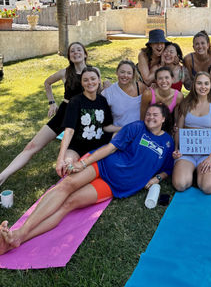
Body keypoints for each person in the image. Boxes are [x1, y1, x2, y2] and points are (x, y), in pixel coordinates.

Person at [0, 104, 174, 255]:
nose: (150, 117)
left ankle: (18, 238)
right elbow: (110, 148)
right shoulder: (136, 127)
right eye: (148, 114)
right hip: (103, 164)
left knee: (69, 203)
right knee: (66, 185)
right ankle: (19, 233)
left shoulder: (168, 143)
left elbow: (167, 168)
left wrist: (157, 178)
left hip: (115, 185)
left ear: (164, 119)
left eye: (155, 115)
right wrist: (84, 163)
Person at [0, 42, 89, 186]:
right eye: (72, 51)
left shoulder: (93, 71)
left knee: (73, 156)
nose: (76, 53)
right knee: (30, 147)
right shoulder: (64, 72)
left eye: (79, 50)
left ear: (85, 54)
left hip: (82, 119)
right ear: (69, 56)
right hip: (63, 114)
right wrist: (51, 102)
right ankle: (2, 176)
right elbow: (47, 83)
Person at [56, 67, 118, 177]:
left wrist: (124, 128)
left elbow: (106, 127)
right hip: (77, 147)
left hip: (99, 146)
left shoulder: (102, 101)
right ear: (81, 83)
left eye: (93, 79)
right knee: (67, 167)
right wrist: (61, 158)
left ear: (99, 80)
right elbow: (69, 130)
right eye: (85, 80)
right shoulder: (75, 102)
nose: (90, 82)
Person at [172, 72, 211, 195]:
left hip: (207, 153)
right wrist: (176, 149)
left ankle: (202, 174)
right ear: (194, 85)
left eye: (206, 83)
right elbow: (178, 130)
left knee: (208, 188)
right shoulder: (185, 104)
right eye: (199, 83)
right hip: (186, 152)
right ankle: (190, 172)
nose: (203, 87)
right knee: (180, 185)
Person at [102, 60, 146, 129]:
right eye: (122, 72)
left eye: (129, 73)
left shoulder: (140, 87)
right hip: (120, 132)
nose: (125, 75)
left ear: (133, 75)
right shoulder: (109, 92)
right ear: (117, 72)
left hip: (139, 132)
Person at [140, 67, 184, 132]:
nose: (164, 81)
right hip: (149, 128)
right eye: (160, 78)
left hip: (167, 128)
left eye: (167, 78)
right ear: (156, 81)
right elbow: (142, 117)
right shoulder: (148, 94)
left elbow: (176, 120)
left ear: (172, 79)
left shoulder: (178, 96)